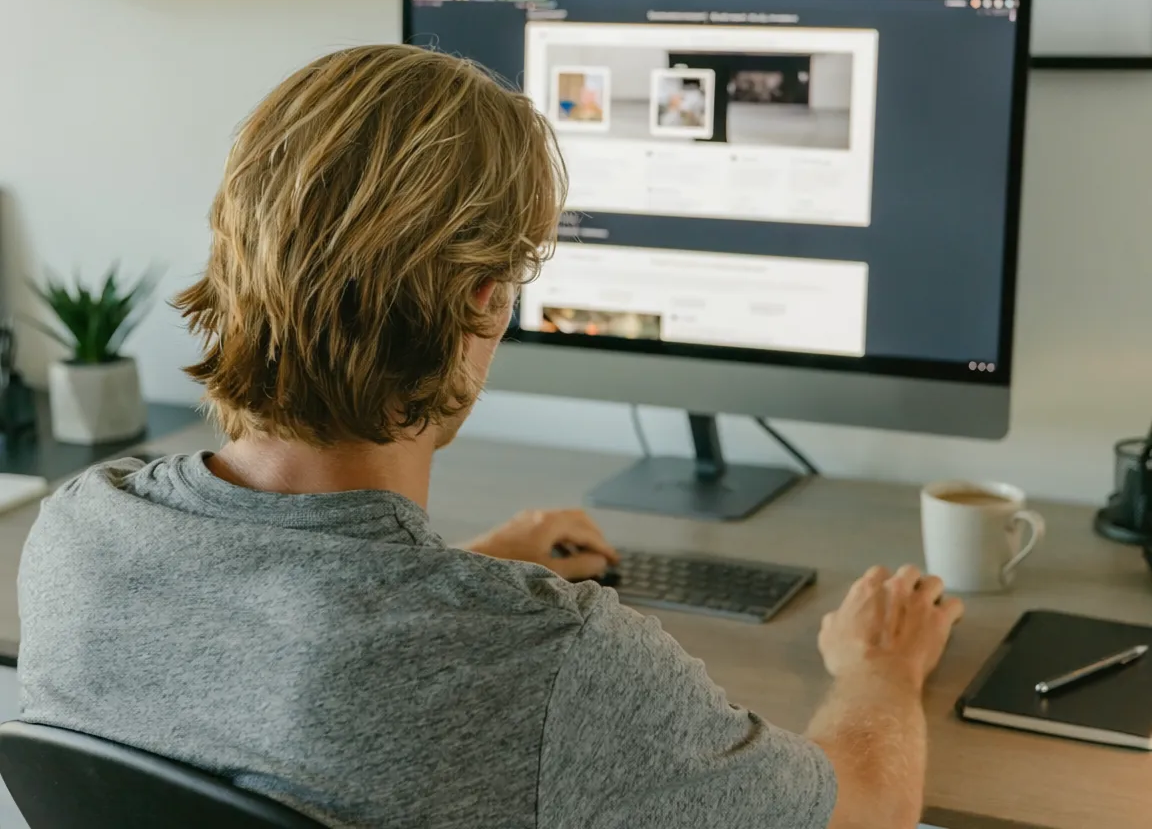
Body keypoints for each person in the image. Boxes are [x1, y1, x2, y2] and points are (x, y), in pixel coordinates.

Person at [18, 44, 964, 829]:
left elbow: (287, 666)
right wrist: (882, 668)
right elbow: (868, 810)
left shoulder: (78, 534)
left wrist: (465, 570)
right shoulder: (553, 658)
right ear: (486, 301)